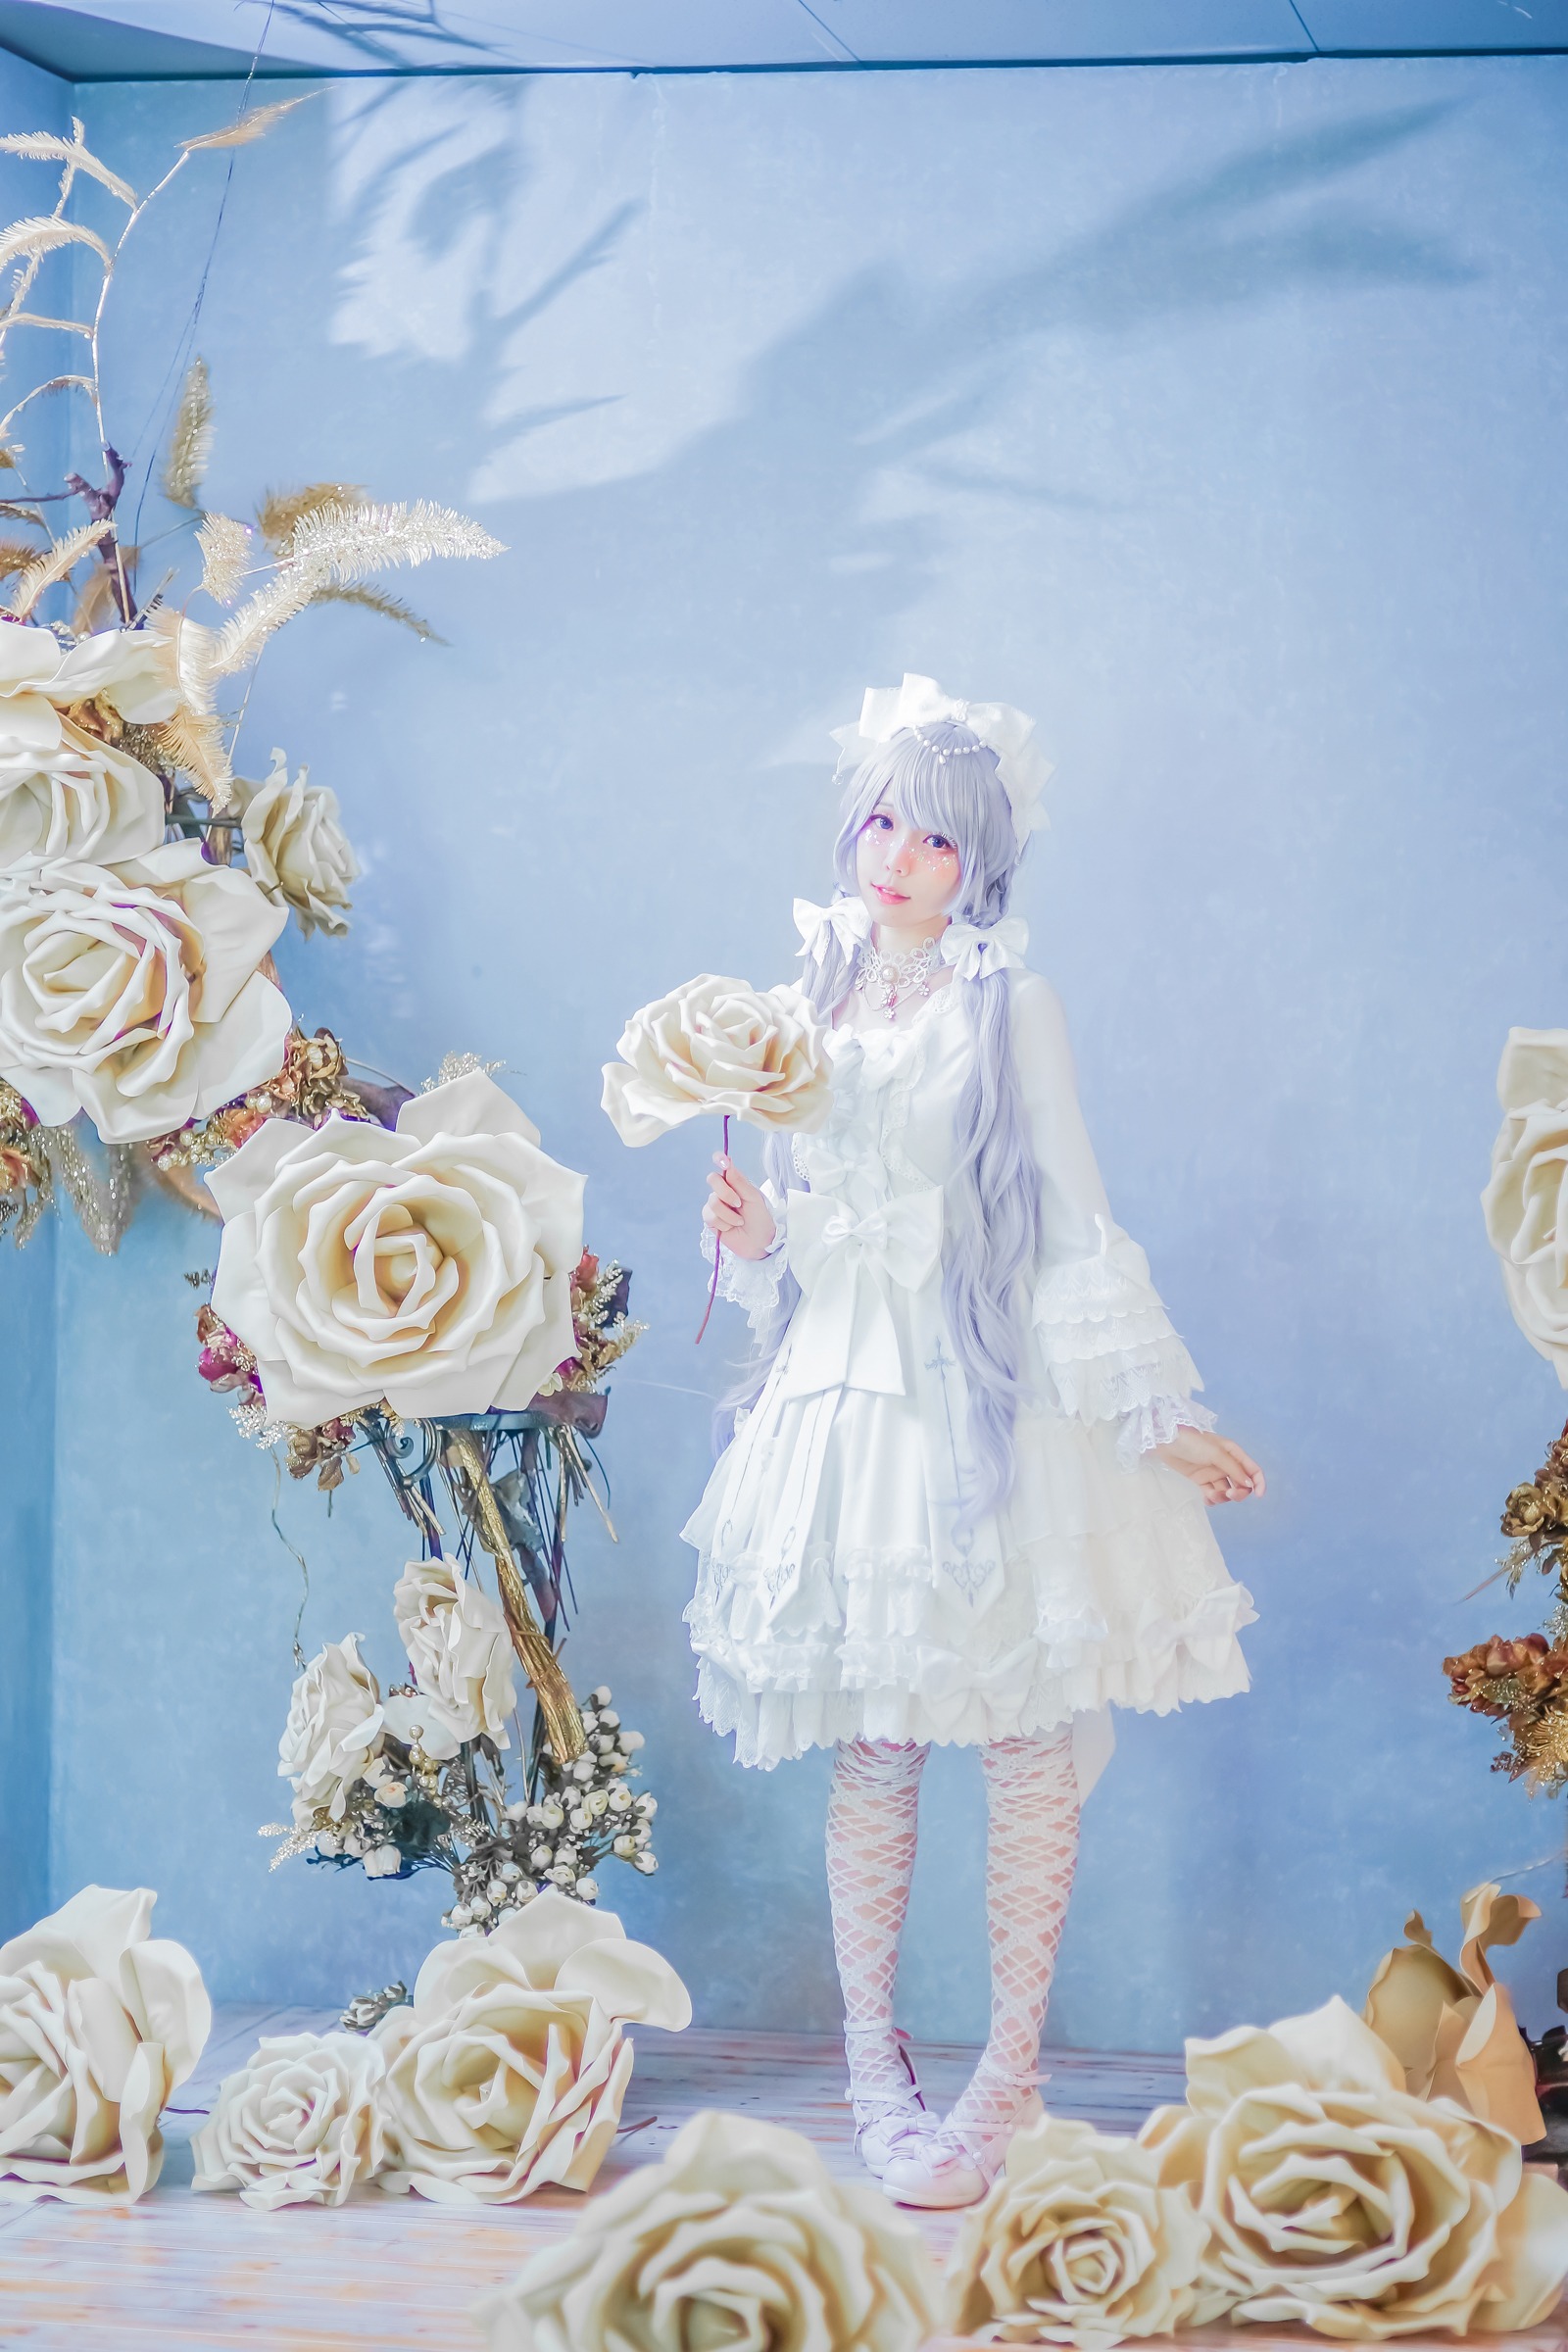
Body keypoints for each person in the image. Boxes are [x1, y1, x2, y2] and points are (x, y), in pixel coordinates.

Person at [680, 674, 1263, 2208]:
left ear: (982, 862)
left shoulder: (1012, 1004)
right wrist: (757, 1235)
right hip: (843, 1402)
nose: (901, 857)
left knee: (1022, 1736)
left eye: (938, 837)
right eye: (883, 820)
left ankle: (1007, 2077)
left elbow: (1069, 1217)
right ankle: (874, 2067)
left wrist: (1154, 1412)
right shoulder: (798, 1002)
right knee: (874, 1741)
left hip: (983, 1394)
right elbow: (804, 1242)